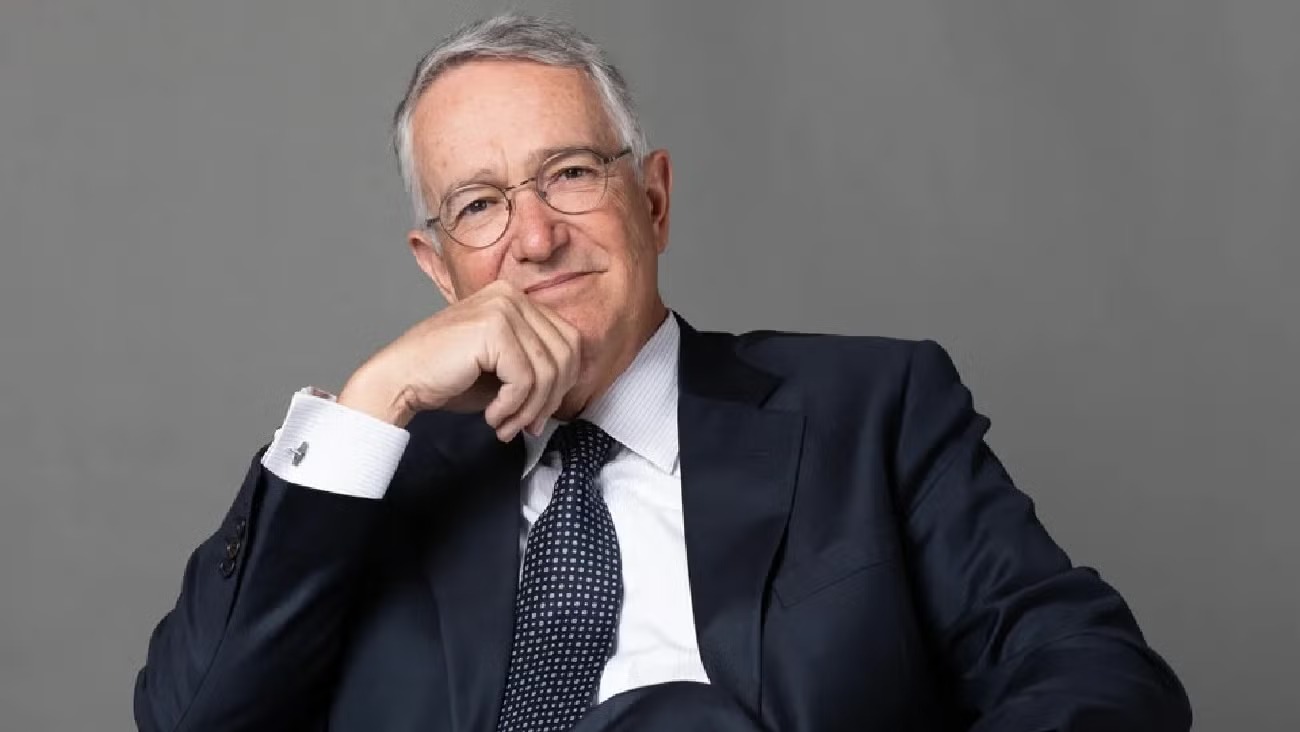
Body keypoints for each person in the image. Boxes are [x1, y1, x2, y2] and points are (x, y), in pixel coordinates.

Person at [134, 13, 1191, 732]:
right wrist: (376, 400)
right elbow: (191, 717)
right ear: (439, 268)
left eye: (569, 174)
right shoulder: (361, 486)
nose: (535, 237)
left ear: (653, 201)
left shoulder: (873, 411)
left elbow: (1093, 673)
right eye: (480, 206)